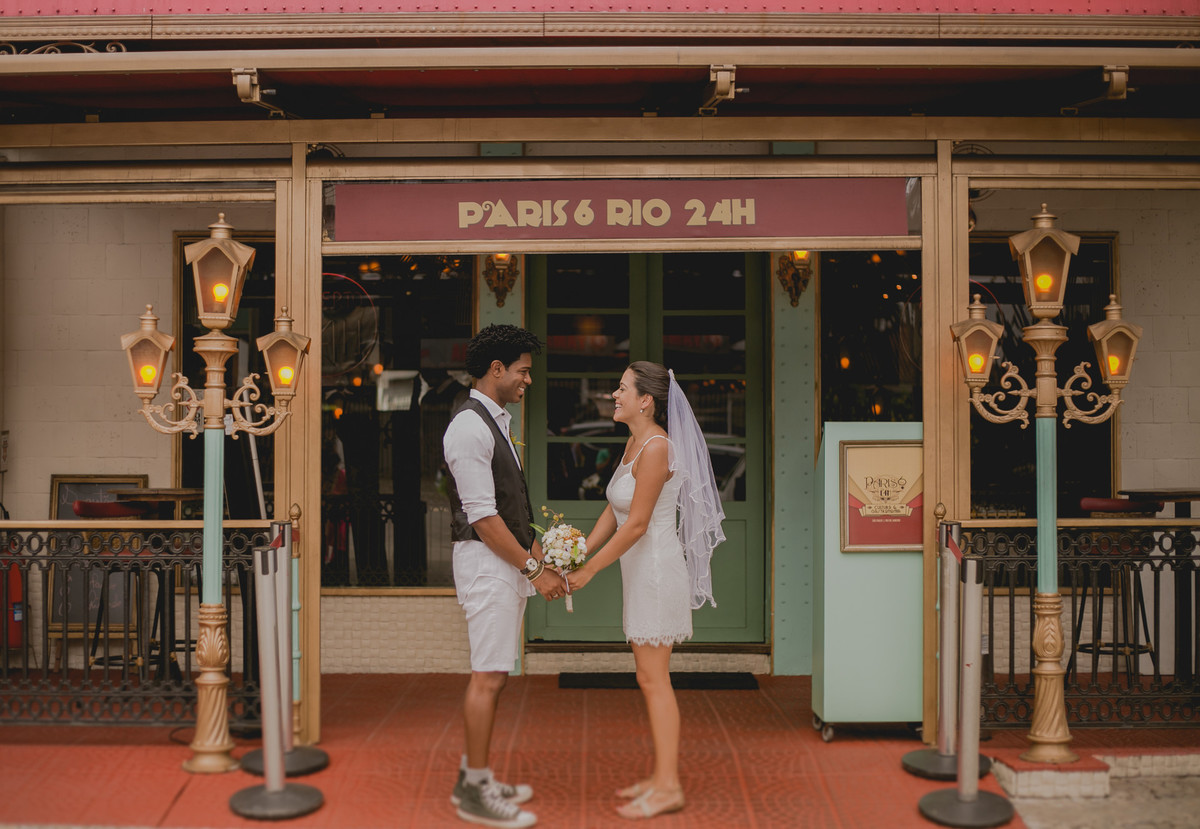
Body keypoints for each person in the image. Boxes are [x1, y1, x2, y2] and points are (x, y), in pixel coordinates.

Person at [566, 361, 725, 820]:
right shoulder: (634, 443)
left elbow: (636, 525)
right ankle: (659, 778)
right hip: (638, 572)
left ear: (646, 401)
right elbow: (613, 511)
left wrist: (589, 570)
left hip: (656, 571)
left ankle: (669, 786)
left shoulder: (657, 447)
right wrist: (576, 551)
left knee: (655, 680)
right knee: (648, 678)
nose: (614, 396)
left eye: (621, 389)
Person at [442, 323, 567, 829]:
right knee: (487, 677)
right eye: (523, 371)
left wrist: (543, 560)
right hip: (486, 566)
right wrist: (535, 570)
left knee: (494, 675)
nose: (527, 381)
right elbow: (484, 519)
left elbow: (514, 511)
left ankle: (473, 777)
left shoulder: (493, 422)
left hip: (503, 564)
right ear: (497, 369)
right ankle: (475, 791)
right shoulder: (469, 427)